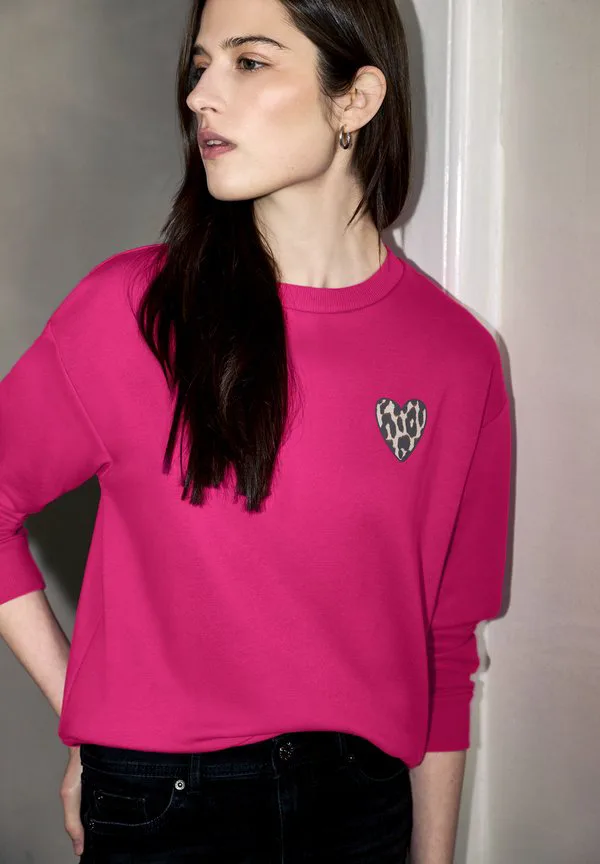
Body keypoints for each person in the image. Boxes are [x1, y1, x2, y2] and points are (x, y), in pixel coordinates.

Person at [0, 0, 512, 861]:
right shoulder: (132, 312)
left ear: (356, 100)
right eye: (201, 65)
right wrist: (86, 713)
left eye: (249, 61)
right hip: (161, 807)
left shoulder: (459, 357)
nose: (200, 94)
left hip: (364, 812)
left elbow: (446, 645)